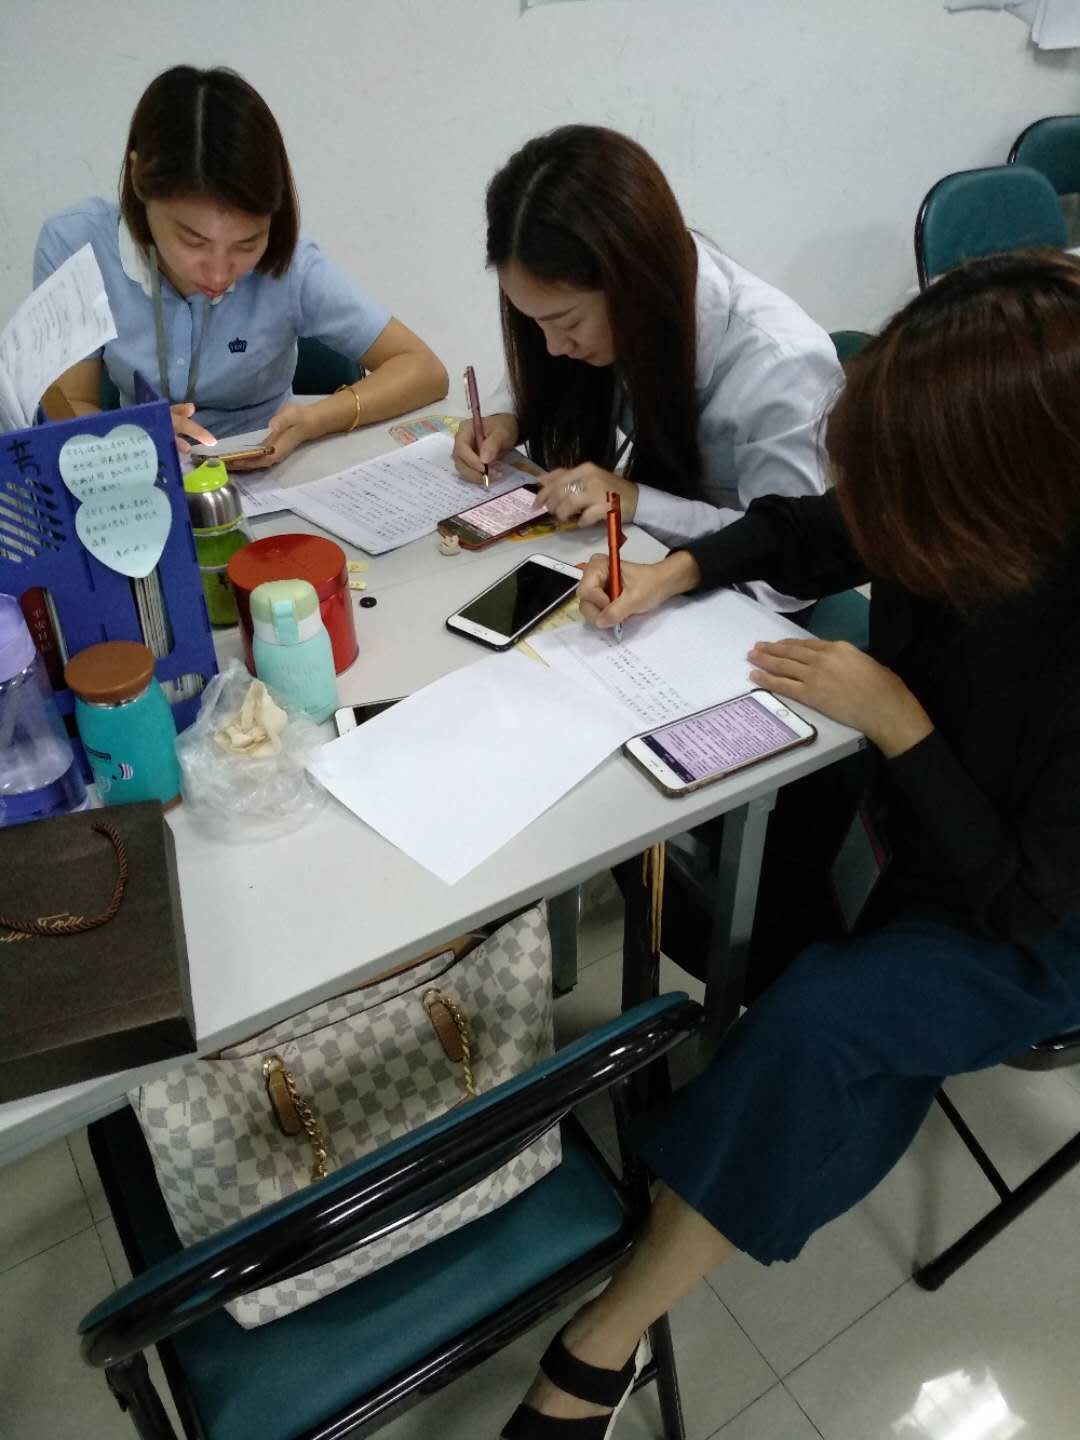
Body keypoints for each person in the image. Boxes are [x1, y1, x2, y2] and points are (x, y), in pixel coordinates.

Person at [500, 251, 1080, 1437]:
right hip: (924, 814)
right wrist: (675, 571)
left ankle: (599, 1341)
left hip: (1038, 919)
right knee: (787, 946)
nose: (886, 523)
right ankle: (752, 1127)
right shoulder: (973, 500)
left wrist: (899, 720)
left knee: (822, 1025)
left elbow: (1022, 899)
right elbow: (819, 532)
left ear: (1005, 490)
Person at [453, 124, 841, 613]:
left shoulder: (781, 364)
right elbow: (547, 370)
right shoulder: (619, 320)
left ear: (632, 285)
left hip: (744, 607)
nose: (551, 347)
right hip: (654, 565)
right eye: (533, 323)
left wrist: (636, 500)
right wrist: (507, 415)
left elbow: (784, 562)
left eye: (567, 322)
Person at [34, 66, 447, 465]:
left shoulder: (292, 265)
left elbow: (424, 369)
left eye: (247, 244)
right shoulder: (78, 247)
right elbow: (69, 405)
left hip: (272, 473)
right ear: (141, 178)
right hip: (137, 478)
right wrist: (133, 434)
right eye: (193, 241)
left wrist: (314, 420)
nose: (219, 274)